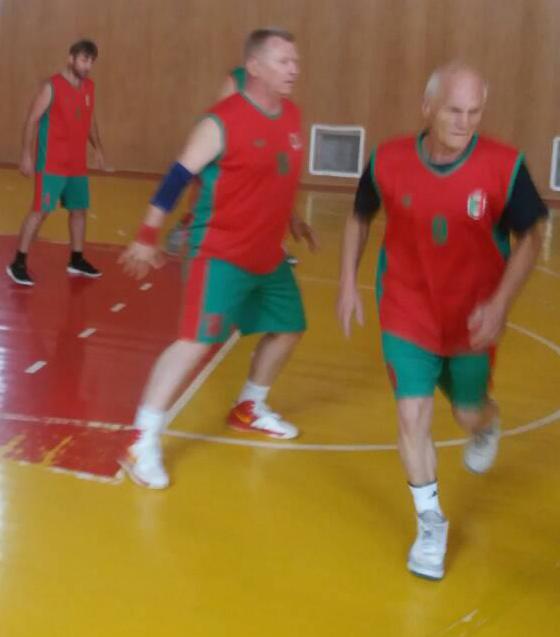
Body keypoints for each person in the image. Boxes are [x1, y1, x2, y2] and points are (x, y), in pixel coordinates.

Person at [338, 63, 547, 580]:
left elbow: (533, 236)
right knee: (412, 415)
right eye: (455, 110)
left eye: (475, 112)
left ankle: (486, 423)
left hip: (473, 317)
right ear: (427, 107)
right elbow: (360, 214)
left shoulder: (504, 166)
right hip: (407, 308)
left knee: (467, 413)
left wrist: (500, 304)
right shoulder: (388, 159)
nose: (465, 122)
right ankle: (430, 523)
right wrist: (347, 281)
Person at [119, 28, 317, 489]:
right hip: (220, 253)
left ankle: (249, 406)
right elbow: (175, 179)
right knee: (194, 341)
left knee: (289, 327)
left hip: (267, 254)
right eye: (284, 61)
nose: (294, 69)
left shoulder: (291, 115)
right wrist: (147, 236)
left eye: (295, 61)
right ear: (255, 67)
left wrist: (292, 218)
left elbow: (277, 173)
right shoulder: (221, 122)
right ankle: (140, 441)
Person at [164, 65, 299, 266]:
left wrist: (293, 216)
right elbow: (223, 111)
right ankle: (188, 227)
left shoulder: (280, 107)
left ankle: (269, 243)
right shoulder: (237, 83)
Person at [6, 39, 108, 287]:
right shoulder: (51, 87)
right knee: (40, 212)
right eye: (84, 60)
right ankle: (18, 263)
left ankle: (76, 259)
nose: (88, 66)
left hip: (77, 164)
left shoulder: (89, 87)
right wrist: (26, 154)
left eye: (91, 61)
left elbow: (90, 120)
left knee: (79, 210)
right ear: (70, 59)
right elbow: (32, 120)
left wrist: (98, 149)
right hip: (51, 163)